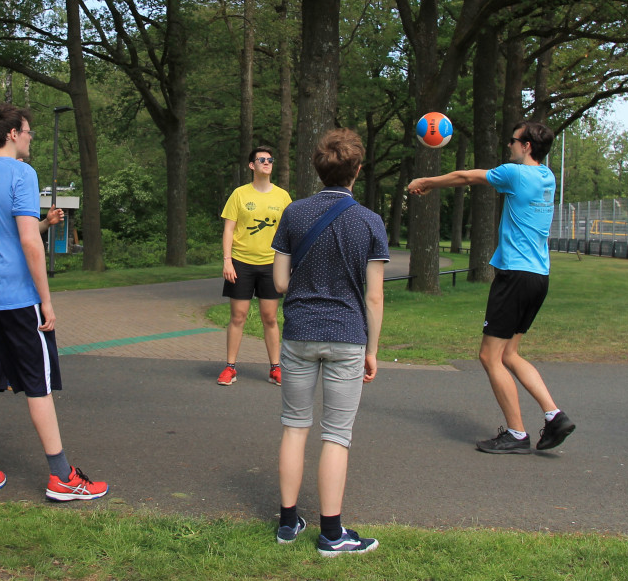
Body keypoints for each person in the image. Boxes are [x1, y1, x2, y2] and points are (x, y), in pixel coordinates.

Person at [0, 103, 109, 503]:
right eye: (29, 132)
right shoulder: (21, 173)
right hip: (17, 300)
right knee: (38, 385)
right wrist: (46, 300)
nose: (32, 138)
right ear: (13, 133)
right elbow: (29, 241)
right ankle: (62, 477)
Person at [407, 119, 576, 454]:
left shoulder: (516, 174)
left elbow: (466, 176)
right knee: (510, 354)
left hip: (514, 276)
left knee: (489, 356)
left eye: (513, 141)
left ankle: (516, 434)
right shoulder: (547, 177)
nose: (509, 146)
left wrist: (427, 181)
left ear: (527, 146)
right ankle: (555, 416)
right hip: (538, 277)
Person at [270, 128, 388, 556]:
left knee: (294, 427)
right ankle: (332, 534)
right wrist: (372, 350)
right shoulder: (370, 221)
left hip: (299, 333)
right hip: (347, 338)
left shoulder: (294, 213)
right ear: (357, 170)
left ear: (318, 169)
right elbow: (374, 296)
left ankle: (287, 523)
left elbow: (280, 281)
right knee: (336, 435)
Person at [218, 145, 292, 386]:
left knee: (270, 317)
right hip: (241, 262)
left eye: (270, 159)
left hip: (271, 263)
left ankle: (275, 368)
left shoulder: (282, 196)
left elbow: (289, 232)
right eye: (261, 159)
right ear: (252, 165)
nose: (267, 162)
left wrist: (289, 262)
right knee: (238, 316)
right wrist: (227, 260)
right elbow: (228, 229)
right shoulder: (239, 194)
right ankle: (230, 367)